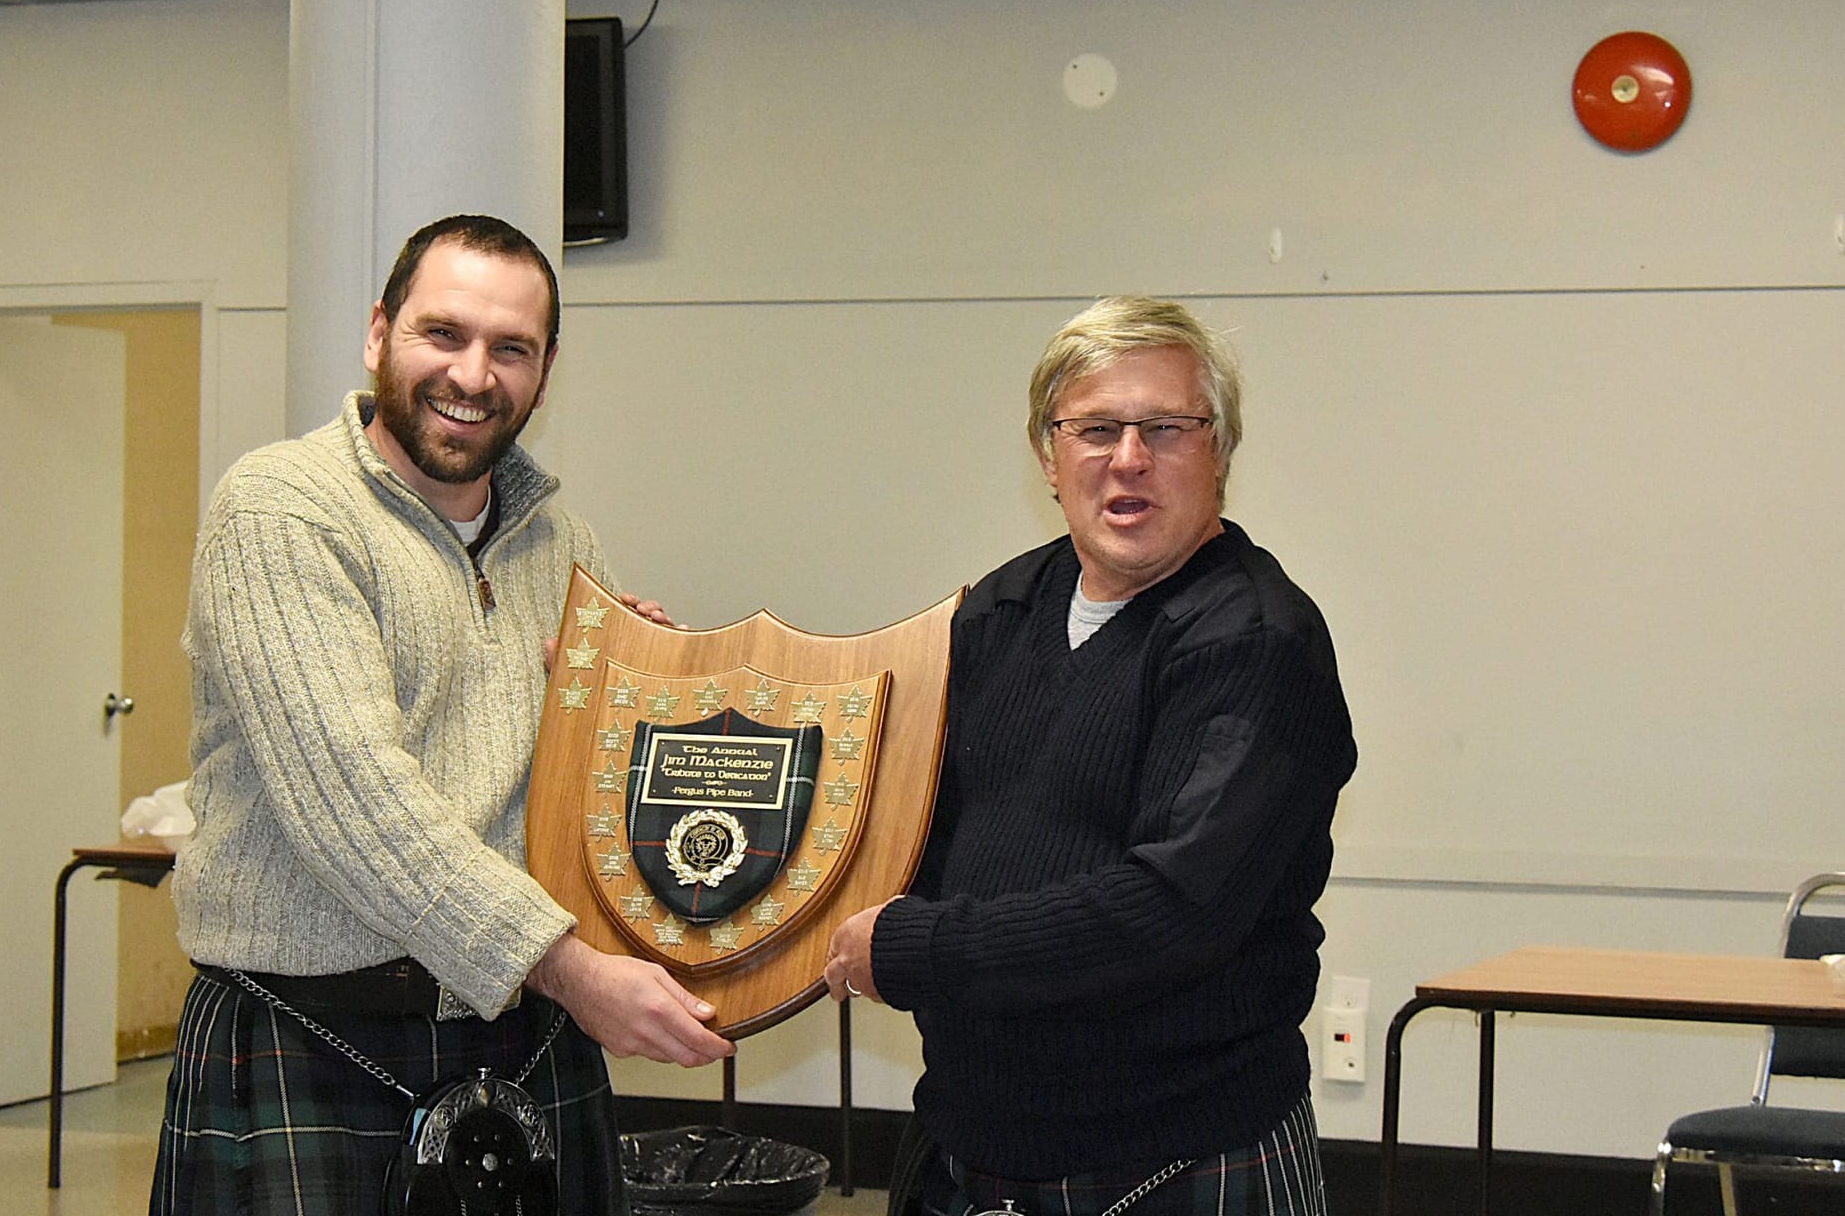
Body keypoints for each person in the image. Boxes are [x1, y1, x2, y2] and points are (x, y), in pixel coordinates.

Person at [152, 214, 733, 1216]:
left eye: (511, 348)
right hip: (313, 1035)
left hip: (523, 1032)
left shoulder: (560, 539)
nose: (472, 373)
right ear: (378, 333)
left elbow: (567, 797)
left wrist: (633, 704)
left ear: (544, 373)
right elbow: (357, 803)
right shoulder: (281, 508)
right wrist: (568, 965)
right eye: (443, 333)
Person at [825, 297, 1355, 1215]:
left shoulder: (1256, 642)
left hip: (1178, 1160)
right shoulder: (1000, 608)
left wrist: (914, 948)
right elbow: (868, 790)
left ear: (1221, 452)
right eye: (1097, 428)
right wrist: (637, 692)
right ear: (1048, 454)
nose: (1129, 458)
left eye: (1167, 428)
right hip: (969, 1147)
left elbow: (1172, 910)